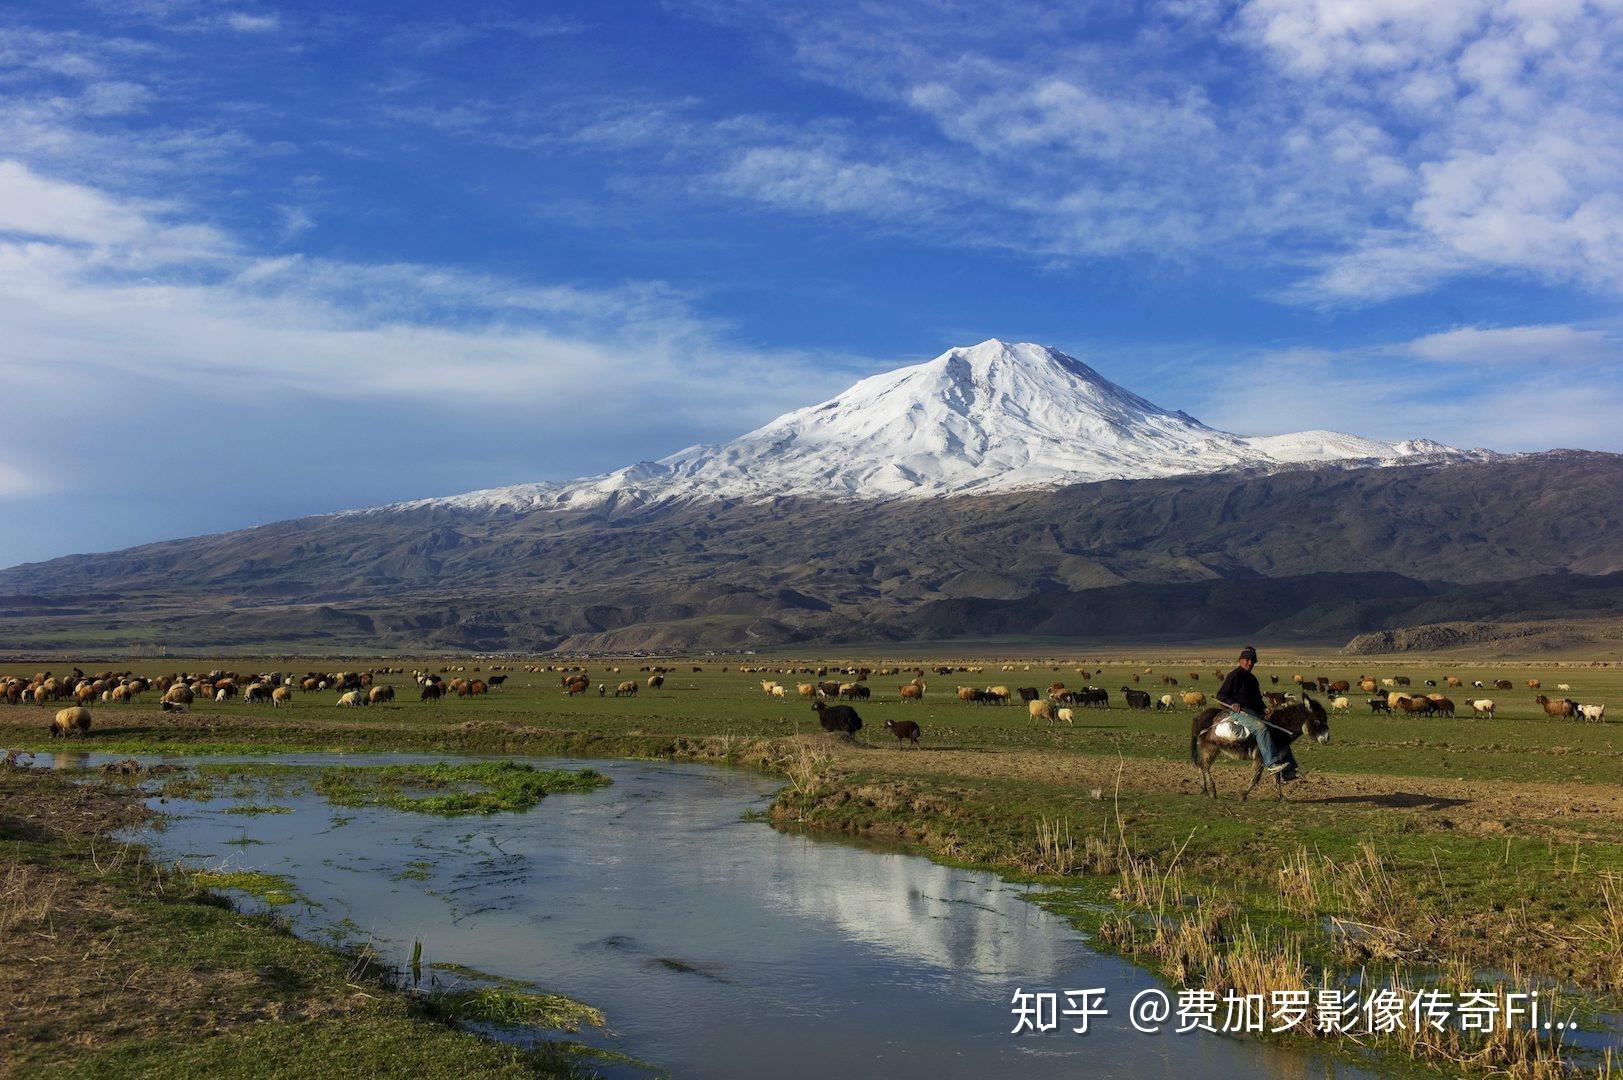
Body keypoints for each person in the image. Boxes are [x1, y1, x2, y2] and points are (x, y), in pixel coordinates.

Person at [1215, 646, 1297, 779]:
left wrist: (1263, 708)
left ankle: (1290, 769)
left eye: (1252, 661)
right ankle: (1271, 763)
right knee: (1261, 728)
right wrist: (1232, 704)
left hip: (1253, 711)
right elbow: (1221, 695)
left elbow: (1257, 699)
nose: (1249, 663)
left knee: (1278, 731)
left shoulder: (1253, 679)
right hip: (1239, 711)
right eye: (1246, 660)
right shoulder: (1234, 675)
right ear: (1240, 660)